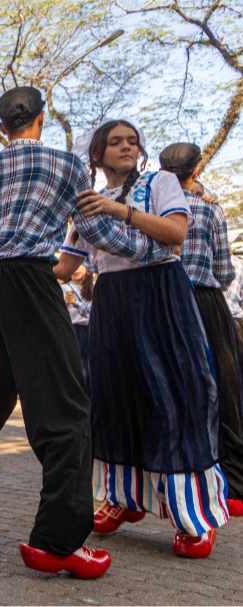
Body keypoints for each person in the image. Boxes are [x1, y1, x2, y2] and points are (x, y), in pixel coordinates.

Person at [0, 87, 161, 579]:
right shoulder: (67, 165)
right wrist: (148, 246)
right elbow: (94, 232)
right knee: (68, 409)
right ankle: (57, 539)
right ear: (41, 117)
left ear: (1, 127)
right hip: (32, 280)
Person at [55, 120, 227, 559]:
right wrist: (8, 259)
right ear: (97, 155)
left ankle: (195, 516)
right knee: (113, 397)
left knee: (176, 396)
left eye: (132, 141)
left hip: (161, 291)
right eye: (115, 142)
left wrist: (118, 211)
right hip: (111, 300)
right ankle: (123, 497)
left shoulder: (160, 182)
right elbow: (65, 265)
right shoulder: (88, 202)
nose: (127, 147)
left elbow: (175, 236)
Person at [162, 142, 243, 518]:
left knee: (172, 386)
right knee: (224, 385)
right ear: (196, 171)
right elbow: (225, 271)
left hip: (164, 302)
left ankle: (175, 479)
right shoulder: (210, 210)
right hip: (205, 302)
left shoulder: (151, 206)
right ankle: (235, 487)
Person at [61, 264, 93, 386]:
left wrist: (76, 303)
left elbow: (93, 311)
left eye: (79, 265)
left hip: (91, 330)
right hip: (73, 330)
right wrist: (65, 304)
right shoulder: (64, 288)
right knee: (77, 367)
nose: (75, 269)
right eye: (72, 266)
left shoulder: (94, 287)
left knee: (92, 367)